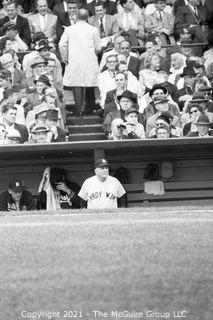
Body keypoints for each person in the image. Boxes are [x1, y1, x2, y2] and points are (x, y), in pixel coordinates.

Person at [59, 8, 101, 115]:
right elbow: (98, 48)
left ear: (77, 17)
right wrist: (94, 54)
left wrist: (65, 57)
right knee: (89, 84)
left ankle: (79, 110)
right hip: (89, 60)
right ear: (87, 18)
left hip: (74, 60)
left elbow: (61, 44)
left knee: (77, 84)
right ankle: (89, 110)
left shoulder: (69, 29)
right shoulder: (94, 30)